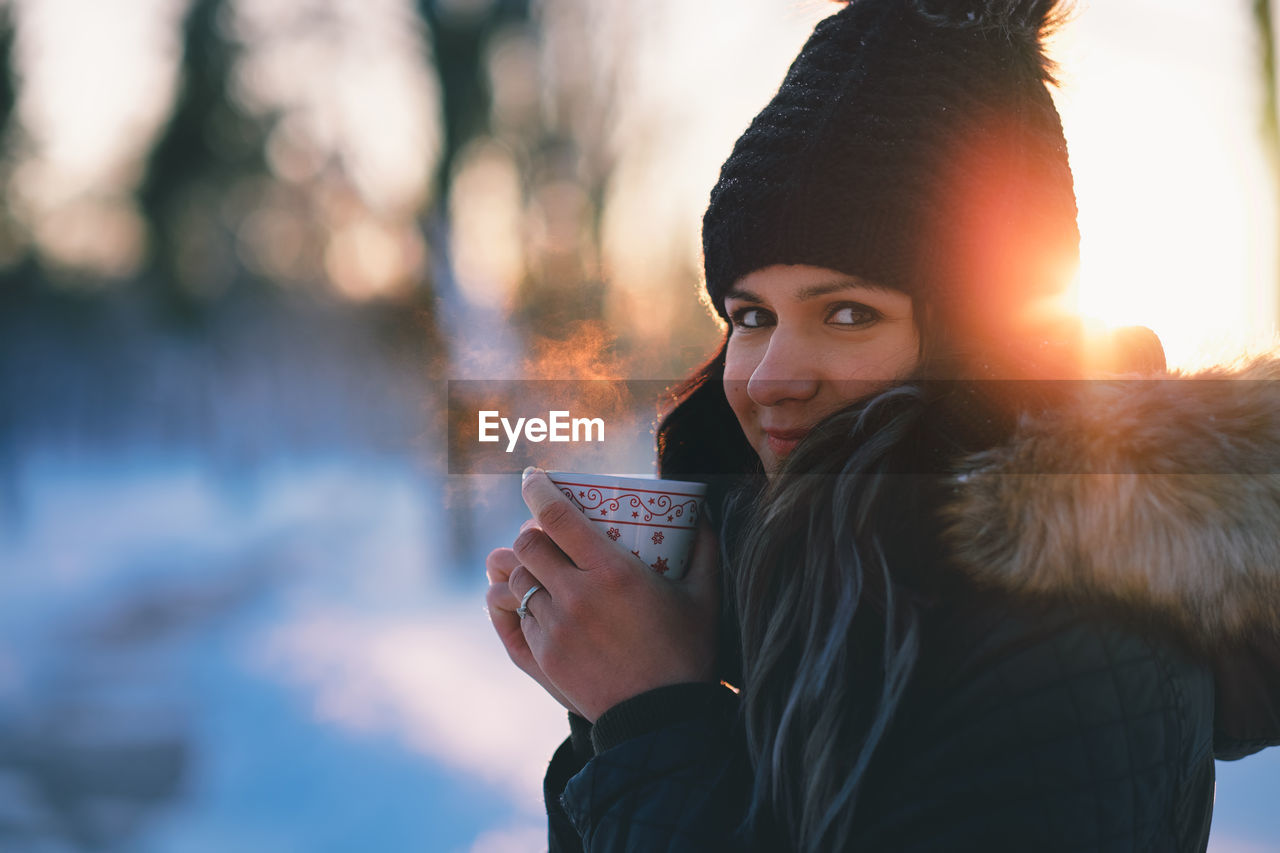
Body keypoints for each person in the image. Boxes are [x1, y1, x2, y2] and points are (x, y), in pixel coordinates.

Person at [484, 0, 1280, 849]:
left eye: (850, 314)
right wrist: (610, 692)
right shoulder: (821, 576)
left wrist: (649, 718)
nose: (770, 376)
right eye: (751, 315)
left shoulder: (1059, 629)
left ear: (983, 343)